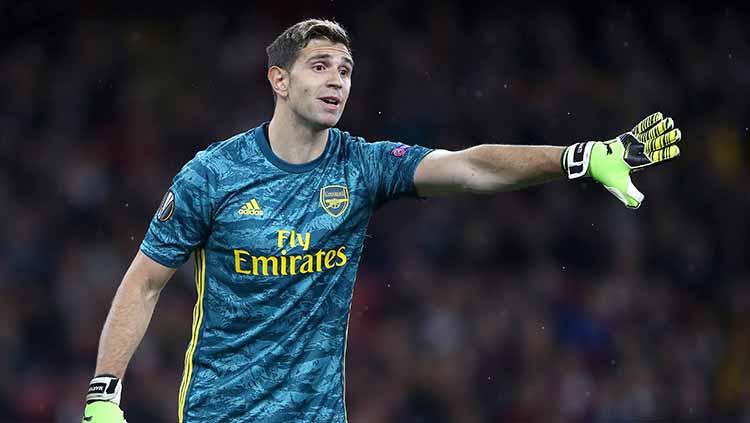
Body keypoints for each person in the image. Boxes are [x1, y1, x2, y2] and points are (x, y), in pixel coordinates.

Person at [81, 18, 682, 423]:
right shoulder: (213, 175)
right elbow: (145, 280)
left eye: (344, 70)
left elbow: (471, 168)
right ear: (279, 80)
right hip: (220, 413)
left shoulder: (363, 167)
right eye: (320, 66)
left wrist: (577, 158)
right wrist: (103, 394)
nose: (336, 80)